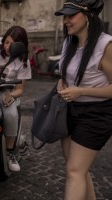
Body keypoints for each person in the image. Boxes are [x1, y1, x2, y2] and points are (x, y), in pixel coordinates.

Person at [54, 0, 112, 199]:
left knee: (74, 171)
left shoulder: (105, 45)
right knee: (78, 169)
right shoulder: (69, 42)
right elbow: (65, 75)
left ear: (88, 16)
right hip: (70, 112)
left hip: (97, 115)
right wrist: (61, 83)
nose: (66, 21)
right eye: (65, 16)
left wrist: (82, 91)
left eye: (71, 16)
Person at [0, 26, 31, 172]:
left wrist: (10, 96)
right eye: (6, 42)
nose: (8, 47)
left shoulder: (23, 62)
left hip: (8, 92)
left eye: (13, 44)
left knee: (10, 114)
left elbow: (20, 90)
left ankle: (10, 153)